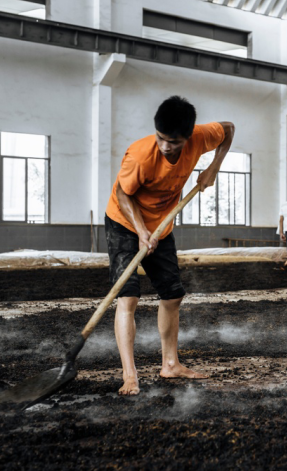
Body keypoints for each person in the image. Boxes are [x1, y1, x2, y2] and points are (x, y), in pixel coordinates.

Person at [105, 96, 235, 395]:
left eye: (173, 142)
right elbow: (123, 196)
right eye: (161, 138)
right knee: (128, 297)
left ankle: (170, 364)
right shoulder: (140, 156)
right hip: (125, 223)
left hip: (161, 225)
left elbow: (228, 129)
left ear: (188, 137)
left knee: (173, 295)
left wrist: (214, 166)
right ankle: (129, 375)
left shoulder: (201, 137)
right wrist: (140, 232)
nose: (166, 147)